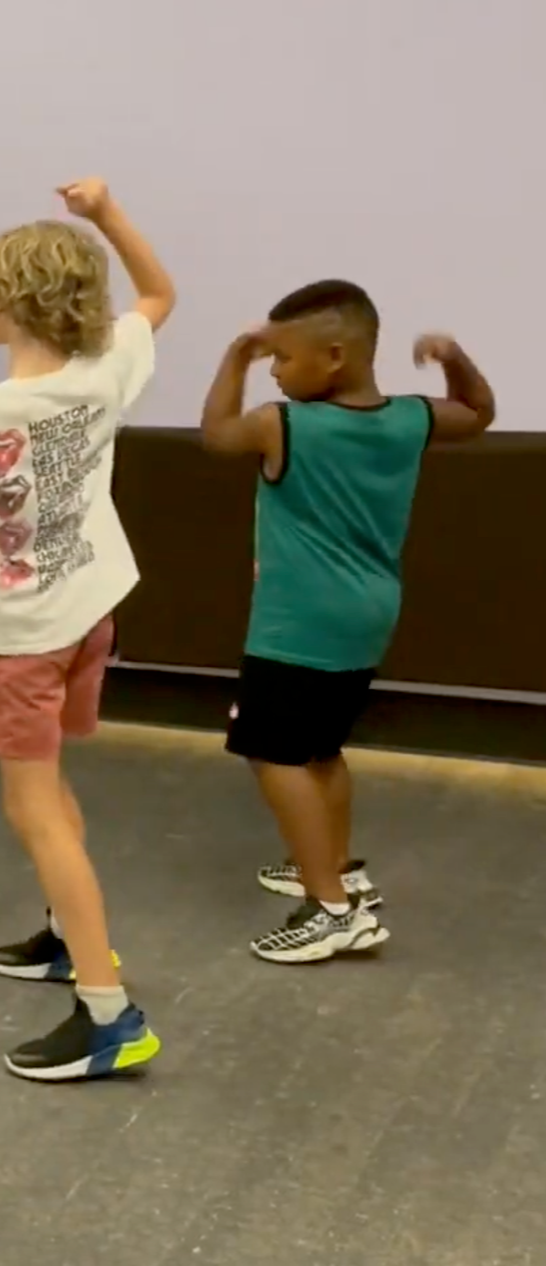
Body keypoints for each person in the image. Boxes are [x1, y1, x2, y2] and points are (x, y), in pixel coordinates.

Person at [0, 177, 173, 1081]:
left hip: (22, 638)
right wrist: (106, 216)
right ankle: (67, 934)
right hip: (90, 613)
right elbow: (158, 296)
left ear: (12, 308)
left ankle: (109, 1013)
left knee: (33, 810)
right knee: (50, 793)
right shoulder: (107, 370)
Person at [199, 281, 493, 962]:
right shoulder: (409, 418)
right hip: (367, 616)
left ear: (332, 356)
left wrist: (232, 361)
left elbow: (216, 434)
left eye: (280, 358)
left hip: (296, 625)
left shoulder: (285, 424)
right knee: (320, 748)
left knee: (271, 752)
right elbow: (477, 412)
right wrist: (451, 356)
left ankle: (331, 907)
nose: (272, 371)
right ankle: (334, 865)